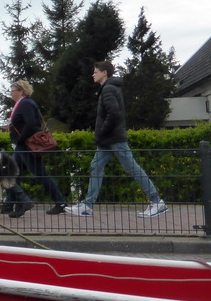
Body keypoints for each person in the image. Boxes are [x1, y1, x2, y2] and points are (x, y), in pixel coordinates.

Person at [66, 61, 167, 218]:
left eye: (96, 71)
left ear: (104, 73)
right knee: (96, 167)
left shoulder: (108, 90)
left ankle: (157, 202)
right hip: (108, 140)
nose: (93, 74)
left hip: (113, 138)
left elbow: (114, 114)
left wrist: (101, 132)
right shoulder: (109, 88)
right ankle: (86, 205)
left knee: (132, 168)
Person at [6, 80, 65, 216]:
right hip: (22, 145)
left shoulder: (26, 103)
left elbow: (31, 123)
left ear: (20, 91)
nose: (10, 93)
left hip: (26, 145)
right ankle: (10, 205)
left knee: (40, 173)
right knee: (13, 174)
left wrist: (20, 139)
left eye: (12, 91)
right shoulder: (22, 104)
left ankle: (60, 202)